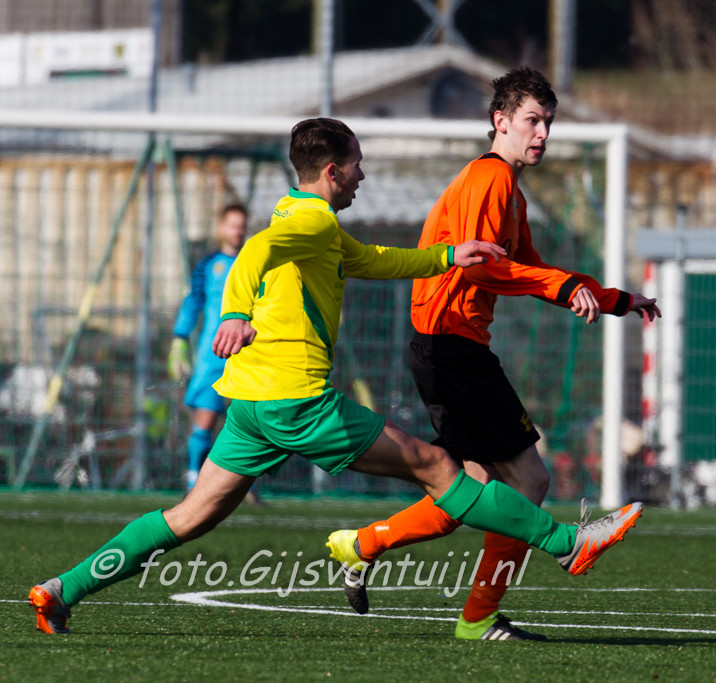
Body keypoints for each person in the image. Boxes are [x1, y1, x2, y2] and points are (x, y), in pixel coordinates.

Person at [28, 117, 644, 635]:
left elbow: (372, 260)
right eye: (356, 167)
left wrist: (449, 255)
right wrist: (235, 312)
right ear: (332, 172)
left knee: (190, 516)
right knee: (438, 467)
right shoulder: (310, 222)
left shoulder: (308, 216)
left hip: (251, 405)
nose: (362, 177)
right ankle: (566, 543)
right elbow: (254, 252)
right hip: (298, 402)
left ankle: (61, 589)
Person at [325, 66, 660, 641]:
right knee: (528, 479)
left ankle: (361, 545)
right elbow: (483, 267)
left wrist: (614, 299)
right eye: (532, 120)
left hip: (450, 345)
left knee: (470, 489)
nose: (542, 134)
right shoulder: (490, 179)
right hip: (450, 345)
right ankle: (479, 616)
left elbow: (533, 269)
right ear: (500, 121)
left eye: (548, 123)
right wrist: (564, 288)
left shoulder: (511, 194)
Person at [167, 203, 248, 492]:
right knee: (205, 417)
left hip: (248, 353)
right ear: (221, 228)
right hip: (213, 354)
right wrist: (179, 339)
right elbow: (192, 302)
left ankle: (245, 486)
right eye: (232, 225)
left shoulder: (253, 262)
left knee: (247, 423)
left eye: (242, 226)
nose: (237, 231)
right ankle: (194, 479)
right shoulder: (208, 265)